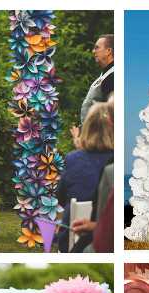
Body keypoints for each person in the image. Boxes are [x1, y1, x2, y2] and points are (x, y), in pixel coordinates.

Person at [57, 101, 113, 252]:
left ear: (87, 127)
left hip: (72, 237)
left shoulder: (72, 159)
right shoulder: (114, 161)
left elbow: (60, 197)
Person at [77, 34, 114, 125]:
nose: (93, 51)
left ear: (108, 51)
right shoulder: (105, 74)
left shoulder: (113, 76)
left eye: (97, 48)